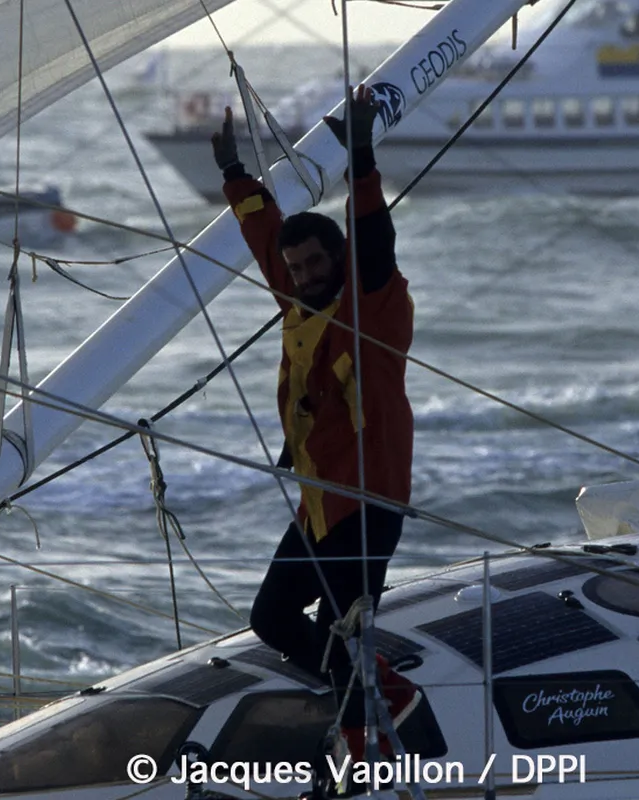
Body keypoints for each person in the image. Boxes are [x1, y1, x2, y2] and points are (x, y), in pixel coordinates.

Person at [213, 85, 420, 764]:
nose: (300, 274)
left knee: (345, 631)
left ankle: (363, 748)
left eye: (314, 264)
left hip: (367, 502)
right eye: (295, 267)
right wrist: (235, 174)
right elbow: (264, 233)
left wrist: (360, 155)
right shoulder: (297, 295)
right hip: (318, 504)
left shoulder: (374, 308)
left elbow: (374, 236)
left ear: (339, 263)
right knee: (270, 619)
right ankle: (380, 689)